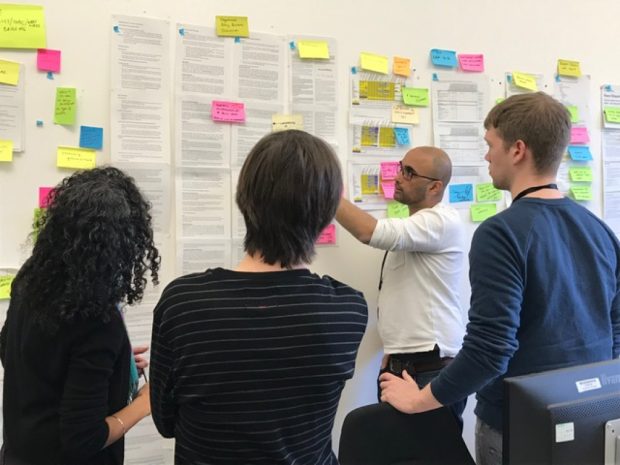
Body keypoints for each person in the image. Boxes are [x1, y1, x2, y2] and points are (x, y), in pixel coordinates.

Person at [379, 92, 620, 465]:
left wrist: (419, 400)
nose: (487, 156)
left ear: (517, 150)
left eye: (491, 145)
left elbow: (489, 350)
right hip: (591, 424)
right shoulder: (600, 231)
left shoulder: (500, 233)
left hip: (518, 429)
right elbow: (615, 336)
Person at [149, 129, 368, 465]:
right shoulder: (347, 309)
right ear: (326, 214)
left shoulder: (183, 303)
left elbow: (165, 421)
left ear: (244, 198)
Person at [0, 166, 160, 465]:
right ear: (122, 245)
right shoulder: (98, 319)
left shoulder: (31, 278)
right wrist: (144, 402)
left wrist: (112, 367)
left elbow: (10, 351)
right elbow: (84, 440)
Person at [335, 146, 467, 423]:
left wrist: (328, 192)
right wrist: (396, 350)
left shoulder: (441, 221)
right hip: (406, 363)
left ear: (434, 187)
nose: (398, 177)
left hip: (429, 367)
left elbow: (368, 232)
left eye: (409, 173)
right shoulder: (417, 228)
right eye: (401, 167)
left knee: (428, 454)